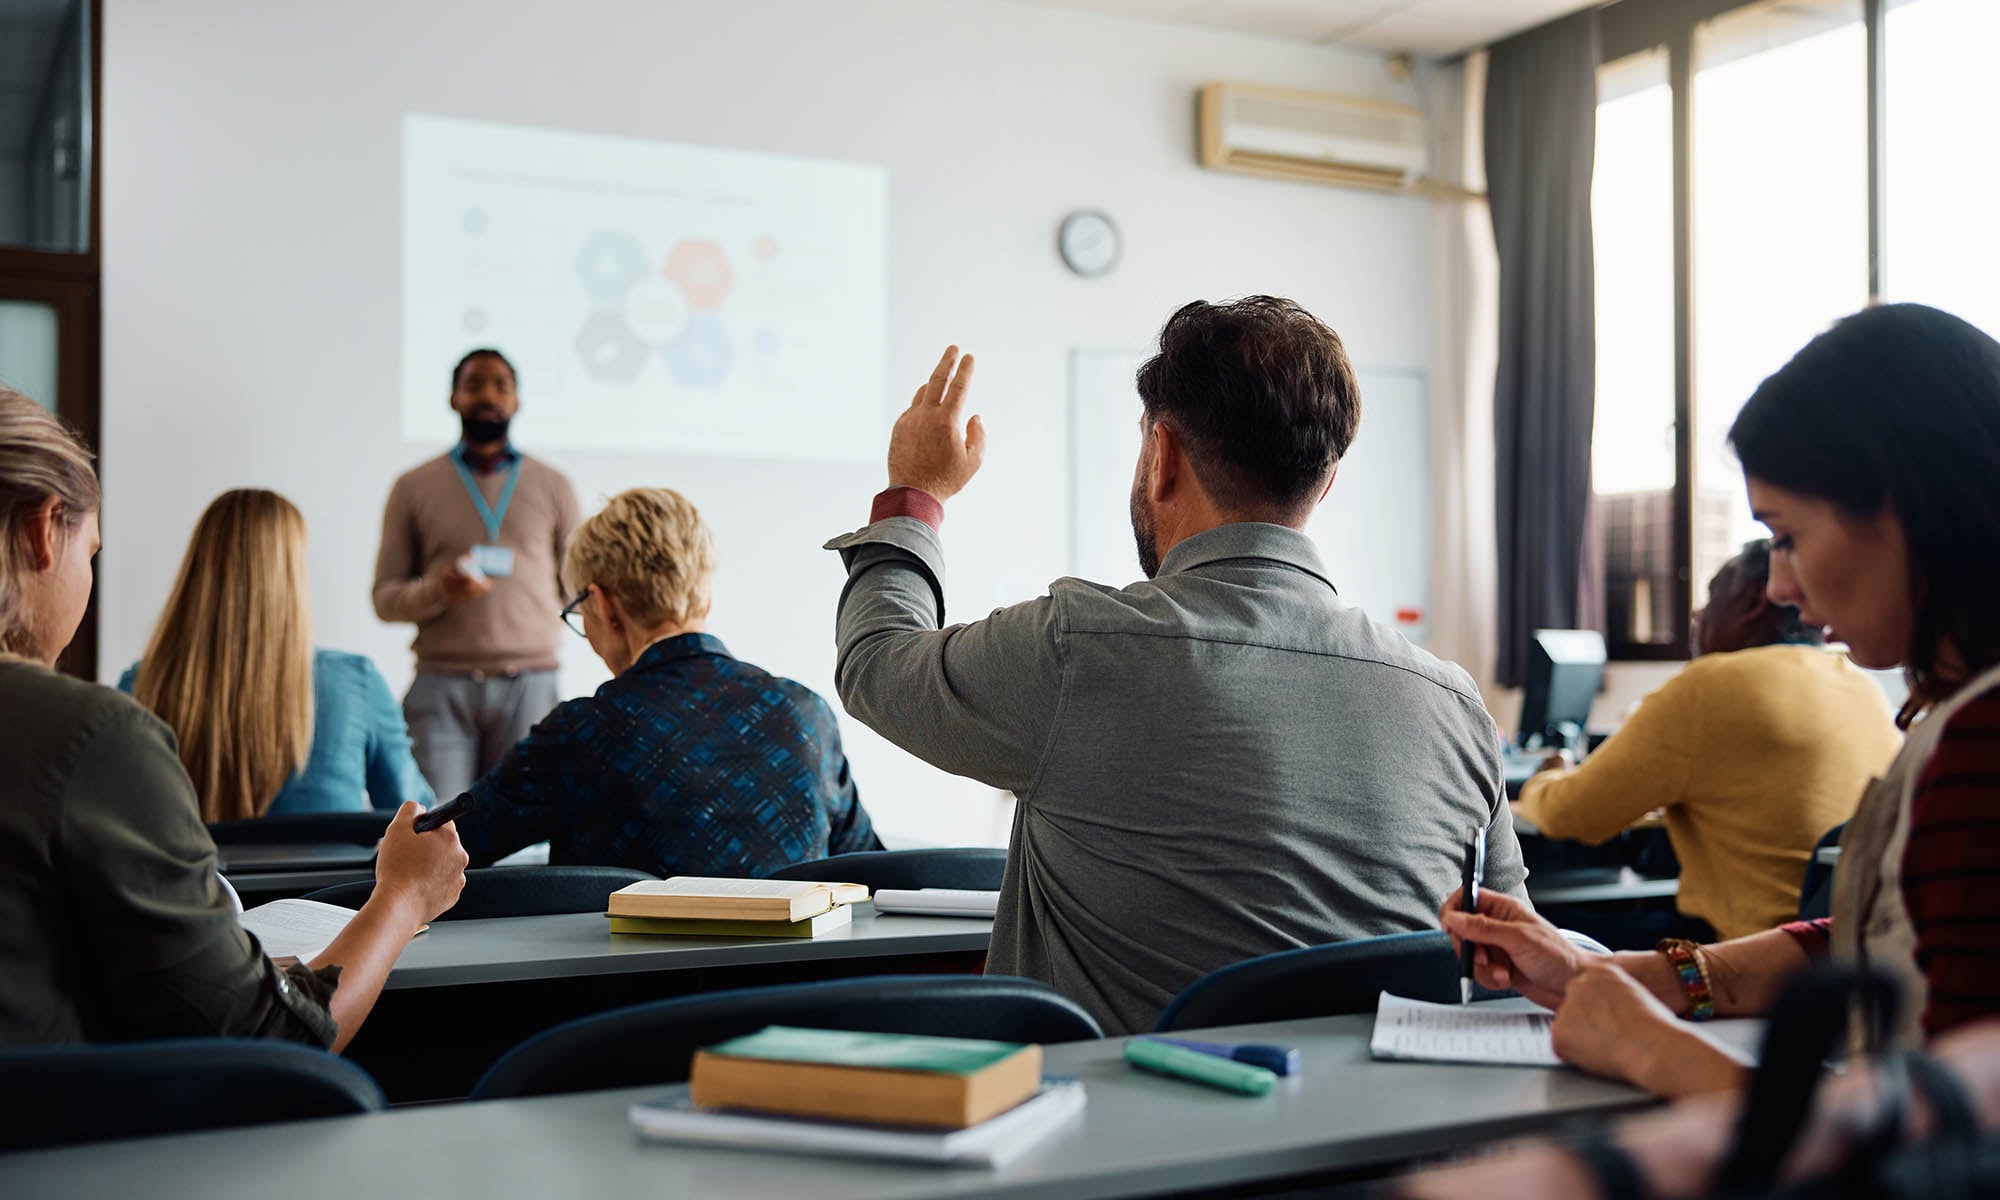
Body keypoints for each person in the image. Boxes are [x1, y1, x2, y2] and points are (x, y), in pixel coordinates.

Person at [823, 297, 1526, 1035]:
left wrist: (917, 494)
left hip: (1114, 1144)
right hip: (1378, 1142)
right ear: (1325, 482)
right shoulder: (1455, 707)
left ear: (1162, 456)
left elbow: (876, 662)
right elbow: (1515, 958)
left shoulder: (1081, 650)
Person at [1444, 303, 2000, 1098]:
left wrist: (1651, 1050)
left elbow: (1947, 1145)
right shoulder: (1937, 708)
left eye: (1787, 536)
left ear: (1901, 505)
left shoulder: (1984, 739)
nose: (1779, 585)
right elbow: (1878, 942)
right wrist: (1611, 975)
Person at [0, 388, 465, 1048]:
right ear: (45, 531)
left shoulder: (140, 685)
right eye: (92, 551)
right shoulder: (91, 735)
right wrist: (405, 896)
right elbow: (268, 1033)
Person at [451, 487, 881, 876]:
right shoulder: (806, 714)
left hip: (630, 966)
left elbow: (442, 849)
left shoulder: (584, 731)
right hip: (798, 966)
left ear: (602, 605)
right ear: (705, 596)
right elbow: (870, 867)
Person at [1515, 539, 1901, 943]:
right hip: (1838, 945)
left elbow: (1572, 817)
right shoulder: (1862, 686)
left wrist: (1546, 778)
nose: (1698, 612)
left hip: (1739, 950)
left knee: (1521, 912)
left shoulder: (1712, 685)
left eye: (1712, 595)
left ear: (1754, 601)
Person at [118, 489, 433, 822]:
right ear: (291, 576)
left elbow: (117, 816)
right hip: (329, 877)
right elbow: (418, 816)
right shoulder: (356, 684)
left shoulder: (141, 687)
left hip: (194, 877)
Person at [372, 348, 581, 800]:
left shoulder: (554, 485)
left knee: (527, 836)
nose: (487, 395)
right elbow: (384, 598)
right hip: (441, 687)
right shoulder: (413, 486)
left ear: (517, 400)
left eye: (500, 385)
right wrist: (437, 591)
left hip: (531, 685)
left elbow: (580, 589)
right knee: (437, 830)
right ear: (453, 398)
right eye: (473, 384)